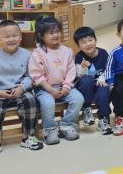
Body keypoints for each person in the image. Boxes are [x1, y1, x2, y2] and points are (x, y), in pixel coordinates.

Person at [0, 20, 43, 160]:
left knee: (30, 100)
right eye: (6, 36)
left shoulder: (27, 54)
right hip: (0, 91)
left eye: (15, 35)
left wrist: (22, 87)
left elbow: (30, 75)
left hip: (20, 89)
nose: (11, 39)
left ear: (20, 37)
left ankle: (28, 137)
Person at [29, 16, 84, 145]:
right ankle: (49, 130)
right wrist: (50, 90)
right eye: (51, 33)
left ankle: (67, 124)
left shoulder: (67, 51)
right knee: (48, 103)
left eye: (57, 31)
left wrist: (66, 87)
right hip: (44, 88)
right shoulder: (37, 53)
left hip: (63, 86)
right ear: (41, 36)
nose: (56, 35)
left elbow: (71, 70)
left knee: (78, 99)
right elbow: (37, 75)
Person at [73, 26, 112, 135]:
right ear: (78, 45)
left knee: (104, 90)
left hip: (99, 84)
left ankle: (103, 119)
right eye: (83, 42)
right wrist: (83, 68)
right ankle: (87, 109)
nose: (88, 44)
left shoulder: (103, 53)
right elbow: (78, 76)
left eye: (90, 40)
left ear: (95, 40)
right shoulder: (79, 56)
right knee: (87, 80)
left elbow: (109, 69)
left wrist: (102, 77)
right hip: (86, 87)